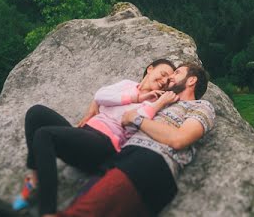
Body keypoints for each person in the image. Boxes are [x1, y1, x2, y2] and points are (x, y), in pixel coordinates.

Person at [13, 58, 176, 216]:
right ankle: (35, 180)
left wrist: (155, 103)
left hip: (104, 146)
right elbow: (100, 95)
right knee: (36, 113)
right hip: (83, 135)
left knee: (44, 135)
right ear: (150, 69)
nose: (163, 80)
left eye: (168, 80)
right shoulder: (128, 85)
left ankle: (47, 211)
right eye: (162, 74)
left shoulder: (153, 104)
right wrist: (137, 97)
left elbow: (133, 120)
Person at [56, 62, 214, 217]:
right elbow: (124, 107)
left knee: (79, 212)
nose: (170, 77)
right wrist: (95, 103)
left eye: (177, 72)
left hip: (150, 162)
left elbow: (179, 139)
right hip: (122, 158)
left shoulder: (201, 106)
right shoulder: (160, 102)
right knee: (79, 204)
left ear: (192, 80)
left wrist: (138, 119)